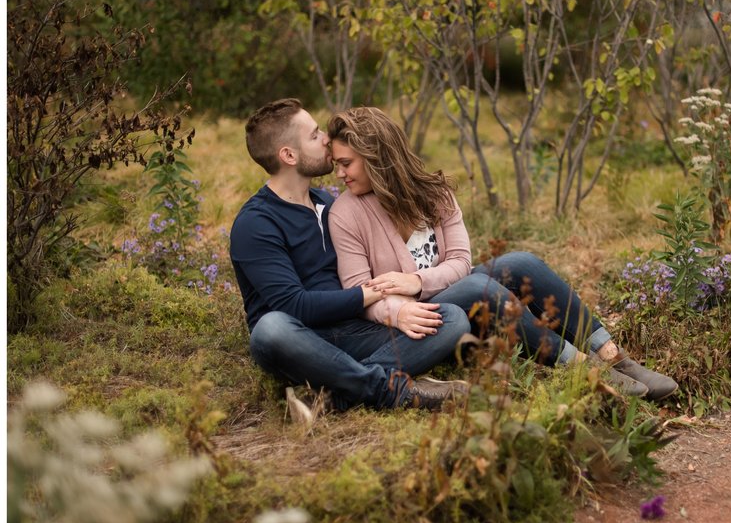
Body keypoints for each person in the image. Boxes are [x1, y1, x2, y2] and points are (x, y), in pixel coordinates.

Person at [326, 106, 679, 401]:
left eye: (347, 163)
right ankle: (582, 369)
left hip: (458, 296)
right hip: (420, 321)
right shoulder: (346, 213)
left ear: (378, 157)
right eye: (337, 164)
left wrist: (416, 281)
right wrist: (402, 310)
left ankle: (614, 358)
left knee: (520, 263)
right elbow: (361, 291)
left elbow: (461, 262)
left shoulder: (434, 194)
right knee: (478, 285)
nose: (339, 174)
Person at [229, 98, 472, 415]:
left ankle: (334, 395)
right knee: (270, 328)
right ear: (288, 155)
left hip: (354, 331)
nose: (326, 139)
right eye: (315, 134)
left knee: (451, 319)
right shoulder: (256, 224)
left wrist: (396, 307)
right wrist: (371, 293)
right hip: (299, 341)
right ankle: (391, 389)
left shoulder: (326, 204)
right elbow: (294, 306)